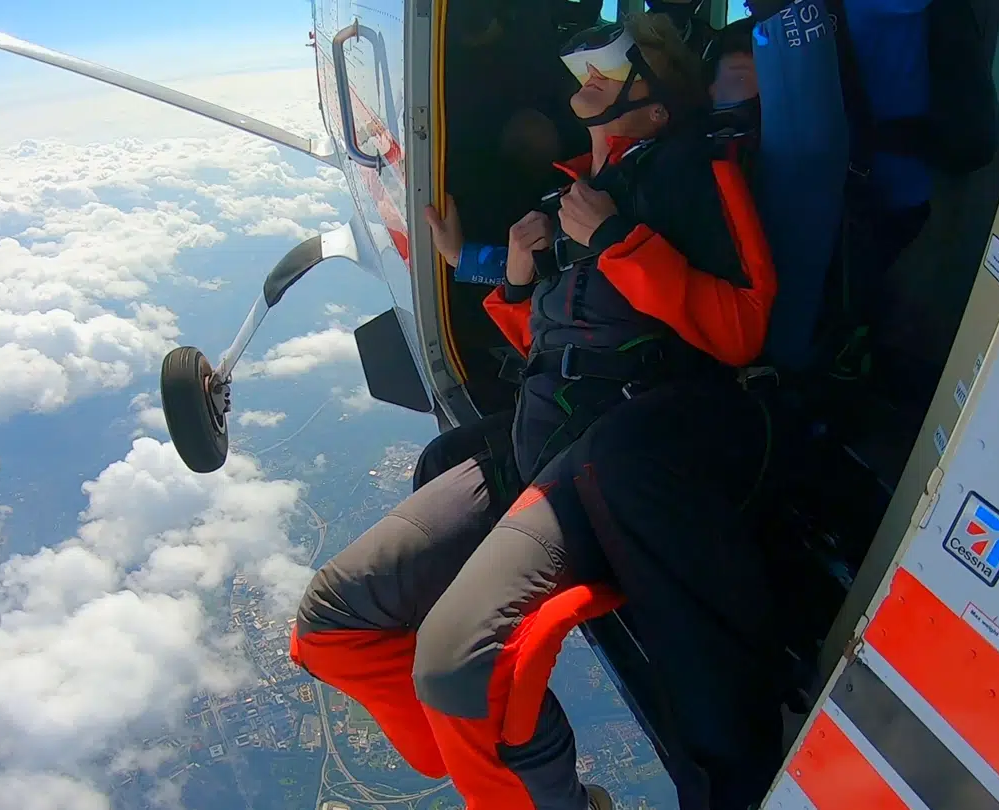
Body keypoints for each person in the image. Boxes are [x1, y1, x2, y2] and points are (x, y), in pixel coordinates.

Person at [291, 12, 783, 810]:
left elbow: (739, 331)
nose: (585, 82)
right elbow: (555, 344)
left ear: (660, 106)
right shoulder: (575, 200)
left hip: (620, 444)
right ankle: (472, 756)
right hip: (543, 430)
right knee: (334, 620)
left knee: (457, 669)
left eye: (618, 68)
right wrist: (513, 278)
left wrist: (620, 238)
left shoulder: (696, 170)